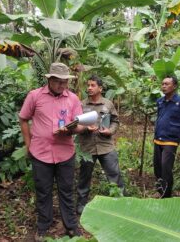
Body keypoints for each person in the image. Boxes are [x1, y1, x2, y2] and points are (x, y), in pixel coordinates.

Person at [18, 63, 85, 240]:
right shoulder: (35, 96)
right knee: (43, 191)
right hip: (40, 153)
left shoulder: (73, 99)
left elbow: (78, 125)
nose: (62, 86)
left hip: (65, 153)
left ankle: (71, 227)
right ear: (49, 79)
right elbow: (23, 119)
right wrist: (28, 144)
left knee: (66, 190)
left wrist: (72, 129)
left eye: (65, 82)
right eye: (58, 82)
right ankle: (43, 225)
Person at [76, 75, 124, 215]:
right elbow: (75, 122)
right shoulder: (81, 104)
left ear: (100, 88)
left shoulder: (108, 104)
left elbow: (115, 121)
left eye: (93, 85)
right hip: (87, 147)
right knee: (84, 177)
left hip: (106, 146)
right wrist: (85, 128)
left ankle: (119, 202)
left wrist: (111, 131)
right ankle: (81, 204)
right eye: (88, 85)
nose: (89, 88)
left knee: (114, 174)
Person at [153, 75, 180, 198]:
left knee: (166, 168)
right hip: (157, 139)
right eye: (162, 84)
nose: (163, 86)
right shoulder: (160, 101)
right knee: (157, 168)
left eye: (167, 84)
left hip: (171, 141)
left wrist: (176, 130)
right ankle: (160, 191)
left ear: (174, 86)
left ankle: (167, 195)